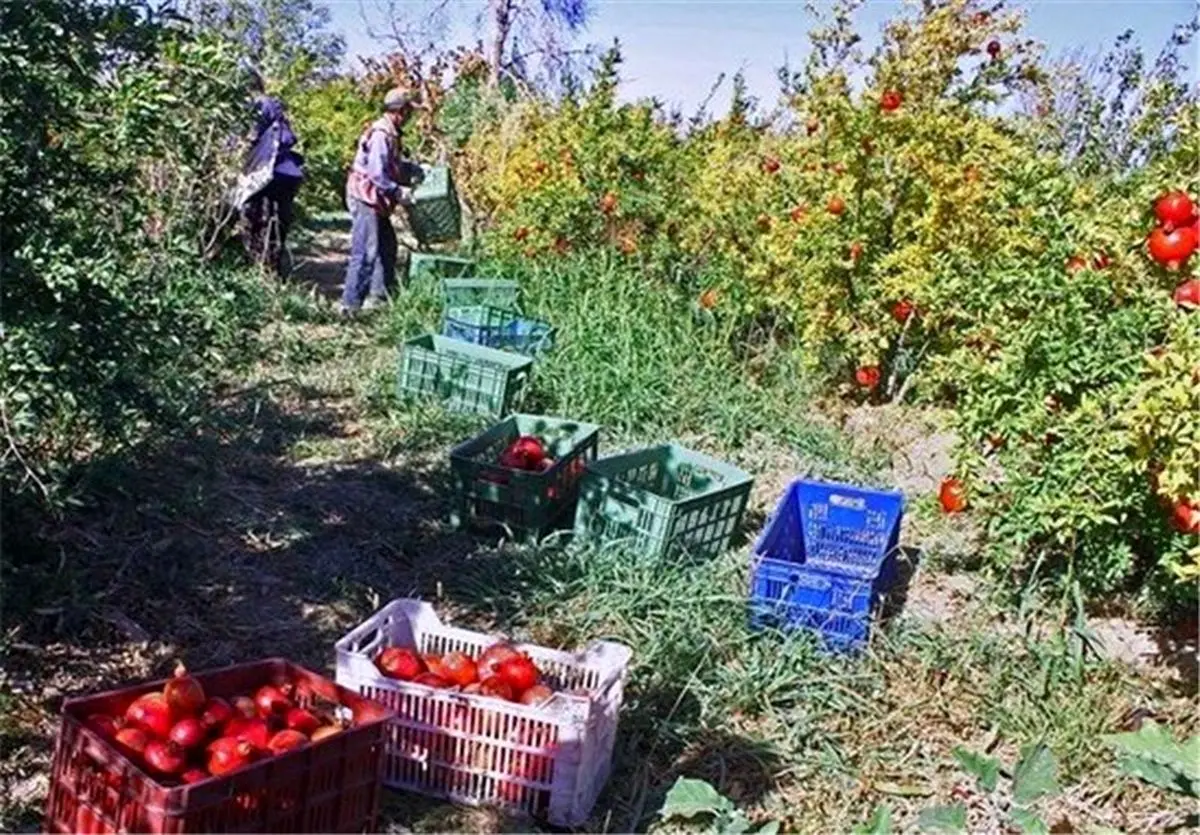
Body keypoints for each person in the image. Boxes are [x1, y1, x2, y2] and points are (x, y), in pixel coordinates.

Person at [340, 87, 424, 316]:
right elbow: (377, 174)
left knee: (387, 247)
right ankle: (350, 305)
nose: (410, 117)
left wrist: (413, 169)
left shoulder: (392, 133)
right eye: (409, 112)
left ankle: (378, 297)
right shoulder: (381, 134)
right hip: (366, 197)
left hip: (376, 199)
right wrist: (398, 192)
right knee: (366, 251)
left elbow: (391, 166)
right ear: (401, 111)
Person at [237, 70, 305, 277]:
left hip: (266, 175)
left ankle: (260, 274)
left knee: (256, 224)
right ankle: (273, 272)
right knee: (277, 225)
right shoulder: (275, 105)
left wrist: (233, 159)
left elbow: (250, 138)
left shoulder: (257, 106)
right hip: (287, 173)